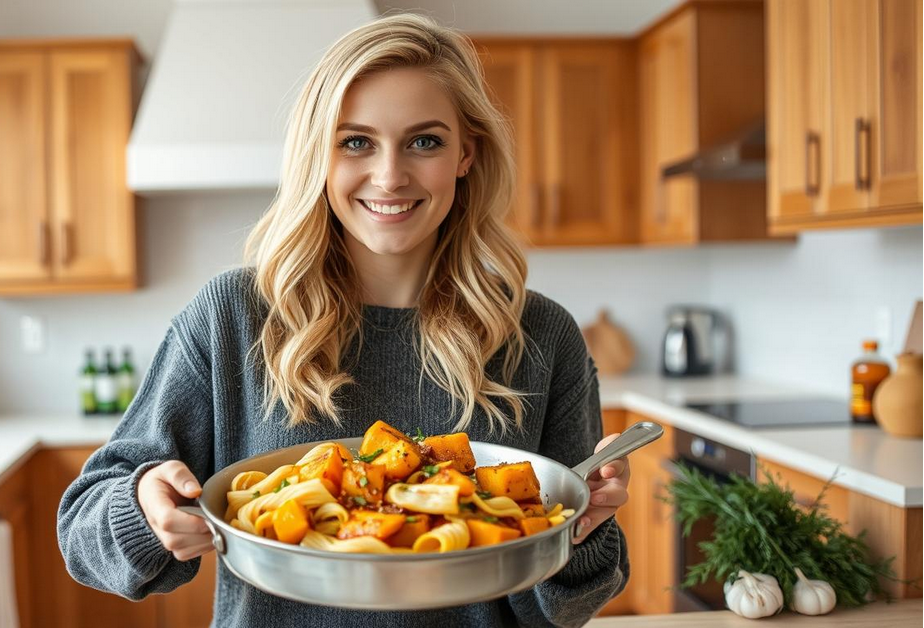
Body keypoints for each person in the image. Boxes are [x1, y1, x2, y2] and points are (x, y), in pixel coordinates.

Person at [58, 13, 630, 628]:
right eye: (356, 142)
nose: (390, 175)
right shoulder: (231, 319)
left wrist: (582, 530)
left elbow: (569, 605)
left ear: (467, 153)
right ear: (319, 156)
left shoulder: (541, 337)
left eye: (425, 141)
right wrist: (144, 508)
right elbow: (82, 534)